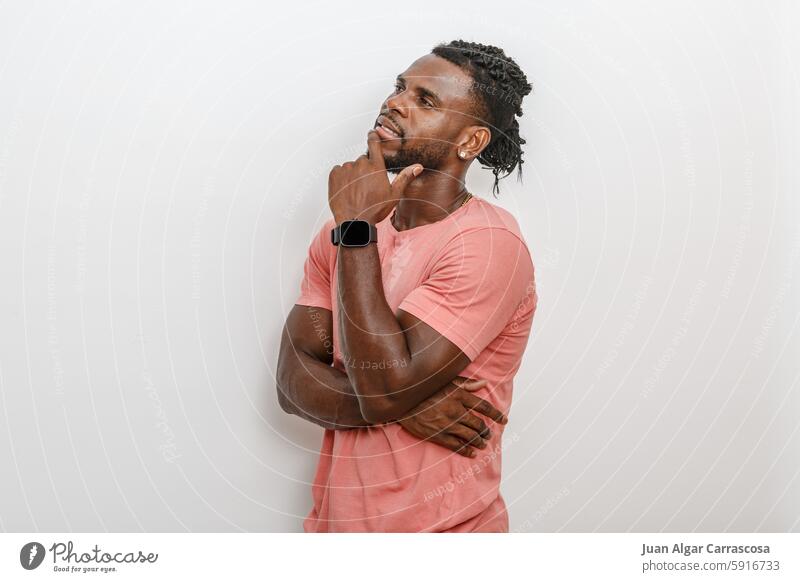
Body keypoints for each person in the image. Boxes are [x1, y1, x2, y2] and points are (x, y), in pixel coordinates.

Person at [276, 39, 537, 532]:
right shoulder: (340, 232)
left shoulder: (486, 244)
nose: (395, 103)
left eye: (426, 101)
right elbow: (292, 385)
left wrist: (355, 231)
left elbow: (386, 386)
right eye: (401, 87)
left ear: (470, 142)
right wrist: (405, 404)